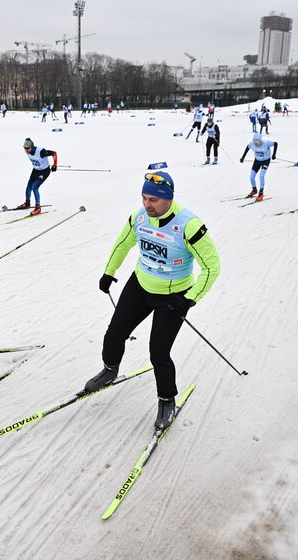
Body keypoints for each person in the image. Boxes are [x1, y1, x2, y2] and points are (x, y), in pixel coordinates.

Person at [83, 171, 220, 429]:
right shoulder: (139, 218)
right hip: (140, 286)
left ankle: (167, 400)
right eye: (144, 198)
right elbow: (122, 244)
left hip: (173, 296)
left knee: (158, 352)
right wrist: (108, 273)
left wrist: (190, 299)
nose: (147, 205)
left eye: (154, 200)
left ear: (169, 198)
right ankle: (110, 370)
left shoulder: (189, 225)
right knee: (114, 334)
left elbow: (212, 267)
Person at [15, 138, 57, 216]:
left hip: (44, 172)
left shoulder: (41, 151)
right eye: (24, 148)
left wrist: (55, 165)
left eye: (27, 148)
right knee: (28, 187)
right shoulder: (28, 151)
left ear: (32, 147)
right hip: (35, 171)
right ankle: (27, 203)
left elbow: (54, 153)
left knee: (35, 187)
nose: (26, 150)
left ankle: (38, 207)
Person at [239, 133, 278, 201]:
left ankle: (261, 193)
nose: (256, 143)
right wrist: (243, 157)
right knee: (251, 177)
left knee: (261, 176)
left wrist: (274, 154)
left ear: (260, 140)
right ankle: (254, 190)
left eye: (258, 142)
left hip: (265, 161)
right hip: (257, 161)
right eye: (255, 142)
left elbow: (276, 143)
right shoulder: (252, 144)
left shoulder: (266, 143)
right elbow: (247, 147)